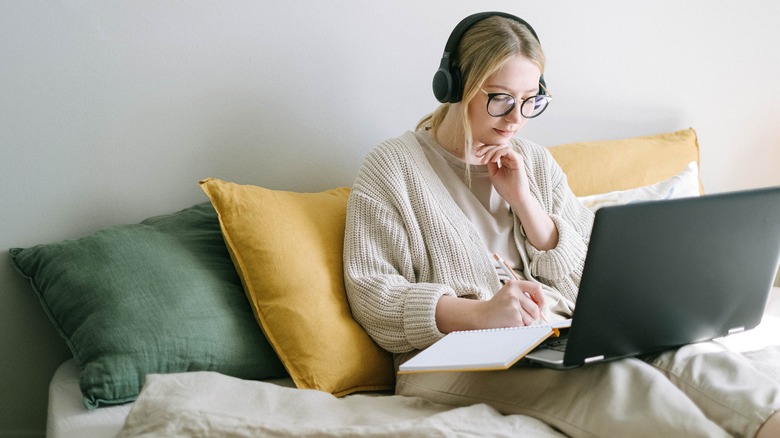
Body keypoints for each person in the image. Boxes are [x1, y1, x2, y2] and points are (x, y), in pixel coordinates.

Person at [343, 11, 780, 437]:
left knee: (697, 359)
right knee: (622, 385)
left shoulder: (533, 161)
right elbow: (373, 295)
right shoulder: (392, 168)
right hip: (448, 359)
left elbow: (592, 272)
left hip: (556, 336)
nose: (516, 118)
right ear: (455, 87)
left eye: (529, 100)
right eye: (499, 98)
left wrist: (527, 203)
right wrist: (480, 314)